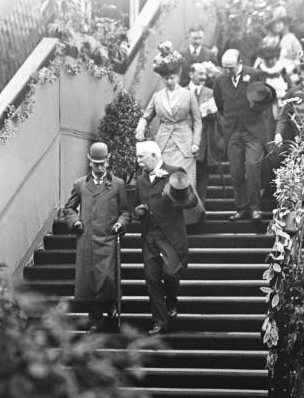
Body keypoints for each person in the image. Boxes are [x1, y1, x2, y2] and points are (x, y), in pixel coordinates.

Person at [62, 142, 130, 333]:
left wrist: (121, 223)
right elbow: (68, 208)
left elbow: (125, 212)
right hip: (87, 239)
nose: (99, 168)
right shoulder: (80, 184)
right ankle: (95, 320)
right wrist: (75, 221)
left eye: (102, 163)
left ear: (108, 161)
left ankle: (111, 308)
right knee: (90, 280)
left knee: (107, 278)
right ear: (89, 162)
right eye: (95, 164)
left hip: (108, 239)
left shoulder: (118, 184)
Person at [134, 141, 198, 335]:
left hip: (170, 236)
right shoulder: (140, 180)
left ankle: (171, 300)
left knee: (170, 273)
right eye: (137, 157)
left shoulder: (174, 172)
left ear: (154, 155)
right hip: (149, 236)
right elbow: (136, 206)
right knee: (151, 279)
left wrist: (171, 194)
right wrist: (137, 211)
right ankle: (160, 322)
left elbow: (192, 201)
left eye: (141, 157)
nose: (138, 162)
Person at [213, 49, 270, 222]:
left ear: (239, 62)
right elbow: (219, 104)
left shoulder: (255, 75)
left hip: (253, 130)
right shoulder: (219, 80)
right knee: (236, 172)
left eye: (230, 68)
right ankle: (241, 207)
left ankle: (255, 208)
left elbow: (265, 100)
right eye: (224, 68)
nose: (227, 71)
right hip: (233, 131)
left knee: (252, 167)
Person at [135, 41, 202, 188]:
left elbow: (198, 121)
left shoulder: (188, 95)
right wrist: (140, 129)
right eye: (166, 78)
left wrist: (196, 143)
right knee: (163, 182)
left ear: (178, 75)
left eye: (172, 77)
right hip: (163, 144)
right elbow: (146, 116)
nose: (169, 81)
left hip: (184, 145)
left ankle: (186, 210)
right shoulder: (157, 97)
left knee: (183, 182)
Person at [187, 62, 221, 205]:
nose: (203, 77)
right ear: (191, 74)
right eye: (200, 74)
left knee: (202, 174)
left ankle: (200, 206)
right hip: (186, 138)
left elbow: (216, 115)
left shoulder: (210, 92)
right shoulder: (182, 91)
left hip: (204, 141)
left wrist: (211, 112)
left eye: (205, 74)